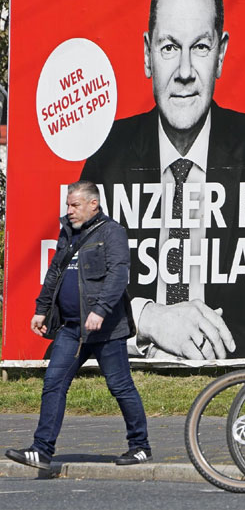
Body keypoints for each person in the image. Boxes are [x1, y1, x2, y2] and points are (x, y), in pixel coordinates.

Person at [80, 0, 245, 360]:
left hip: (218, 363)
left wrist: (205, 346)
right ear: (148, 55)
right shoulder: (107, 151)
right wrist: (147, 320)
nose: (186, 70)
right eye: (170, 47)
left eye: (201, 47)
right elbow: (76, 290)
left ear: (220, 54)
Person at [5, 181, 152, 470]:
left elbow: (118, 275)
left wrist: (100, 310)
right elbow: (54, 272)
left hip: (106, 329)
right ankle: (42, 450)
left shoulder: (112, 232)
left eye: (75, 205)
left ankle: (140, 447)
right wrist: (41, 309)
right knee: (54, 383)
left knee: (120, 387)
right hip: (72, 328)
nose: (69, 210)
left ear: (93, 204)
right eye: (68, 205)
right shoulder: (68, 233)